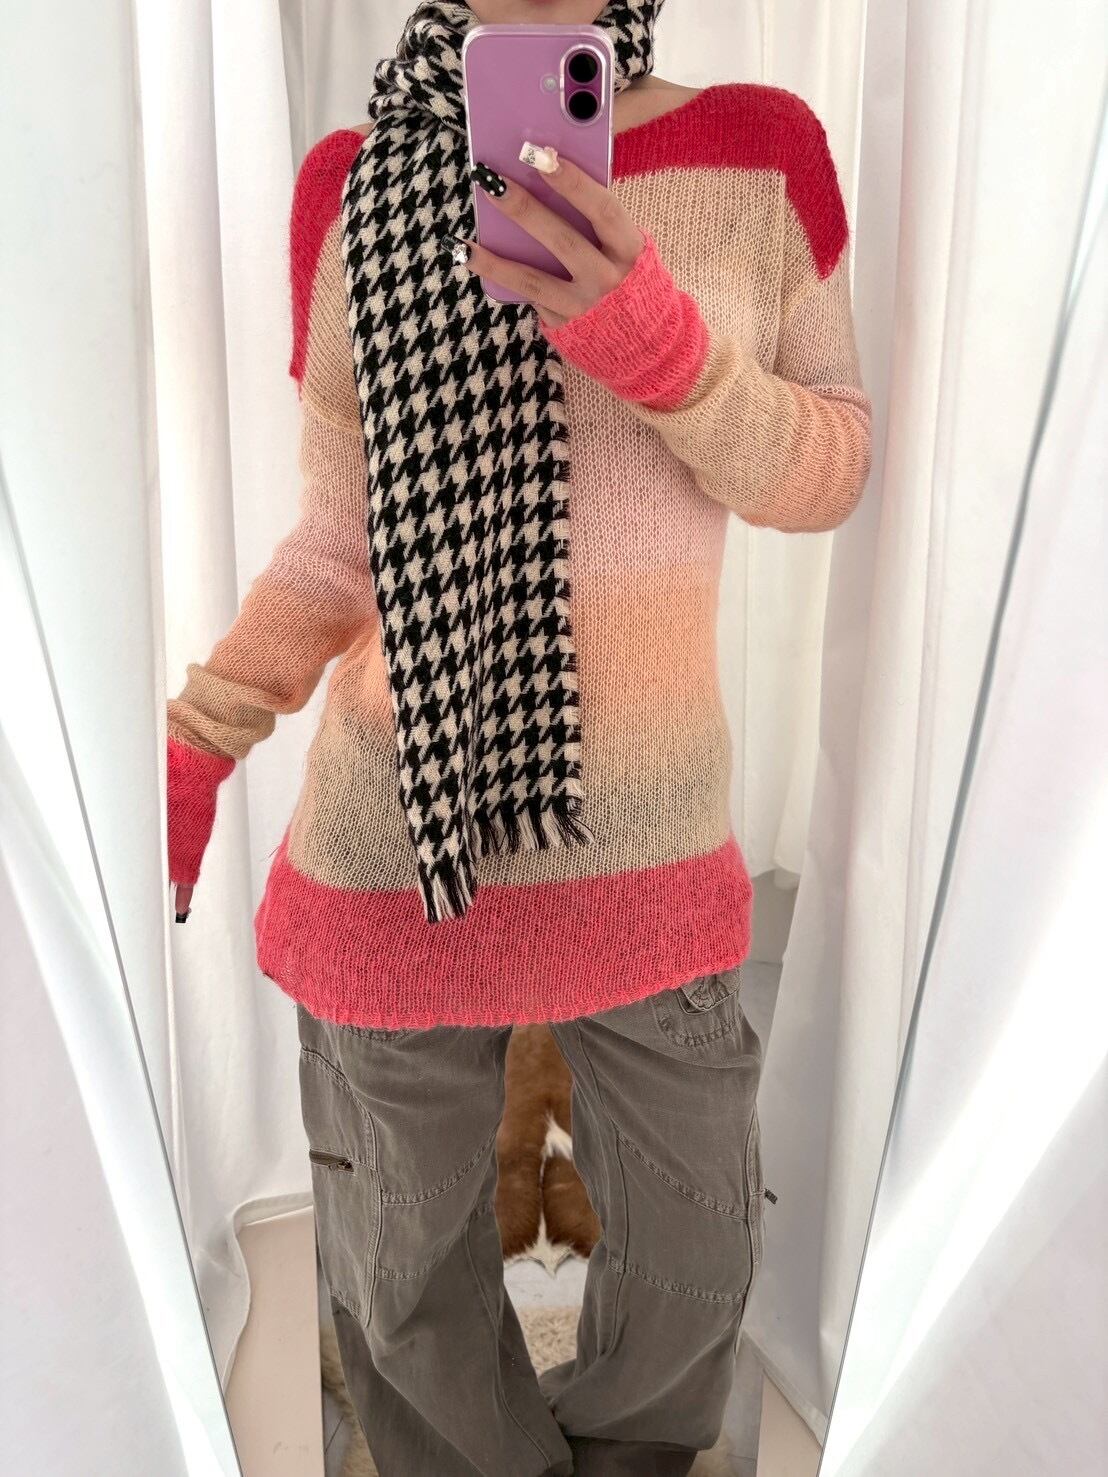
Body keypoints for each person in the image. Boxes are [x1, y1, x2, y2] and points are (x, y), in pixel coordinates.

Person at [165, 0, 871, 1471]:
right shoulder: (348, 187)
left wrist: (654, 341)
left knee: (696, 1258)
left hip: (649, 838)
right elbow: (341, 545)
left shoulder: (762, 150)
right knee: (406, 1293)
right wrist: (201, 736)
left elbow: (827, 468)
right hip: (396, 847)